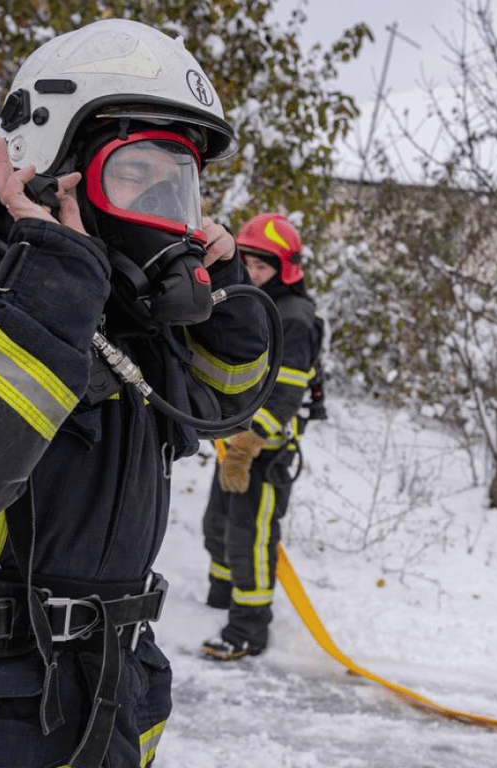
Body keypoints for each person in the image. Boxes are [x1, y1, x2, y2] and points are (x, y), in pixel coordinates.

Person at [0, 19, 270, 768]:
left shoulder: (121, 300)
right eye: (138, 172)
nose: (164, 206)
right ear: (51, 161)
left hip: (110, 694)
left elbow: (214, 408)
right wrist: (49, 290)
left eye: (179, 183)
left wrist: (223, 317)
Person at [201, 212, 322, 661]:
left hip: (262, 453)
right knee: (216, 526)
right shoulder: (252, 300)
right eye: (247, 262)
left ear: (285, 269)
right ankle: (219, 597)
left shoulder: (293, 316)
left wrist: (249, 445)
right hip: (231, 444)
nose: (252, 273)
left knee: (249, 538)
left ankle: (249, 628)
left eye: (263, 267)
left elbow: (287, 395)